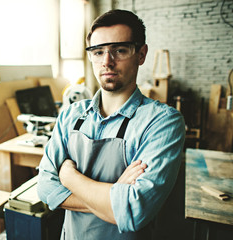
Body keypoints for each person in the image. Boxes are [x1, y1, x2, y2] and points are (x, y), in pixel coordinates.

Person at [37, 9, 185, 240]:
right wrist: (115, 197)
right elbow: (45, 188)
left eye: (120, 50)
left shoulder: (162, 122)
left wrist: (69, 177)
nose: (107, 61)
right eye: (98, 52)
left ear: (141, 54)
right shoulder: (70, 115)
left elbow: (135, 211)